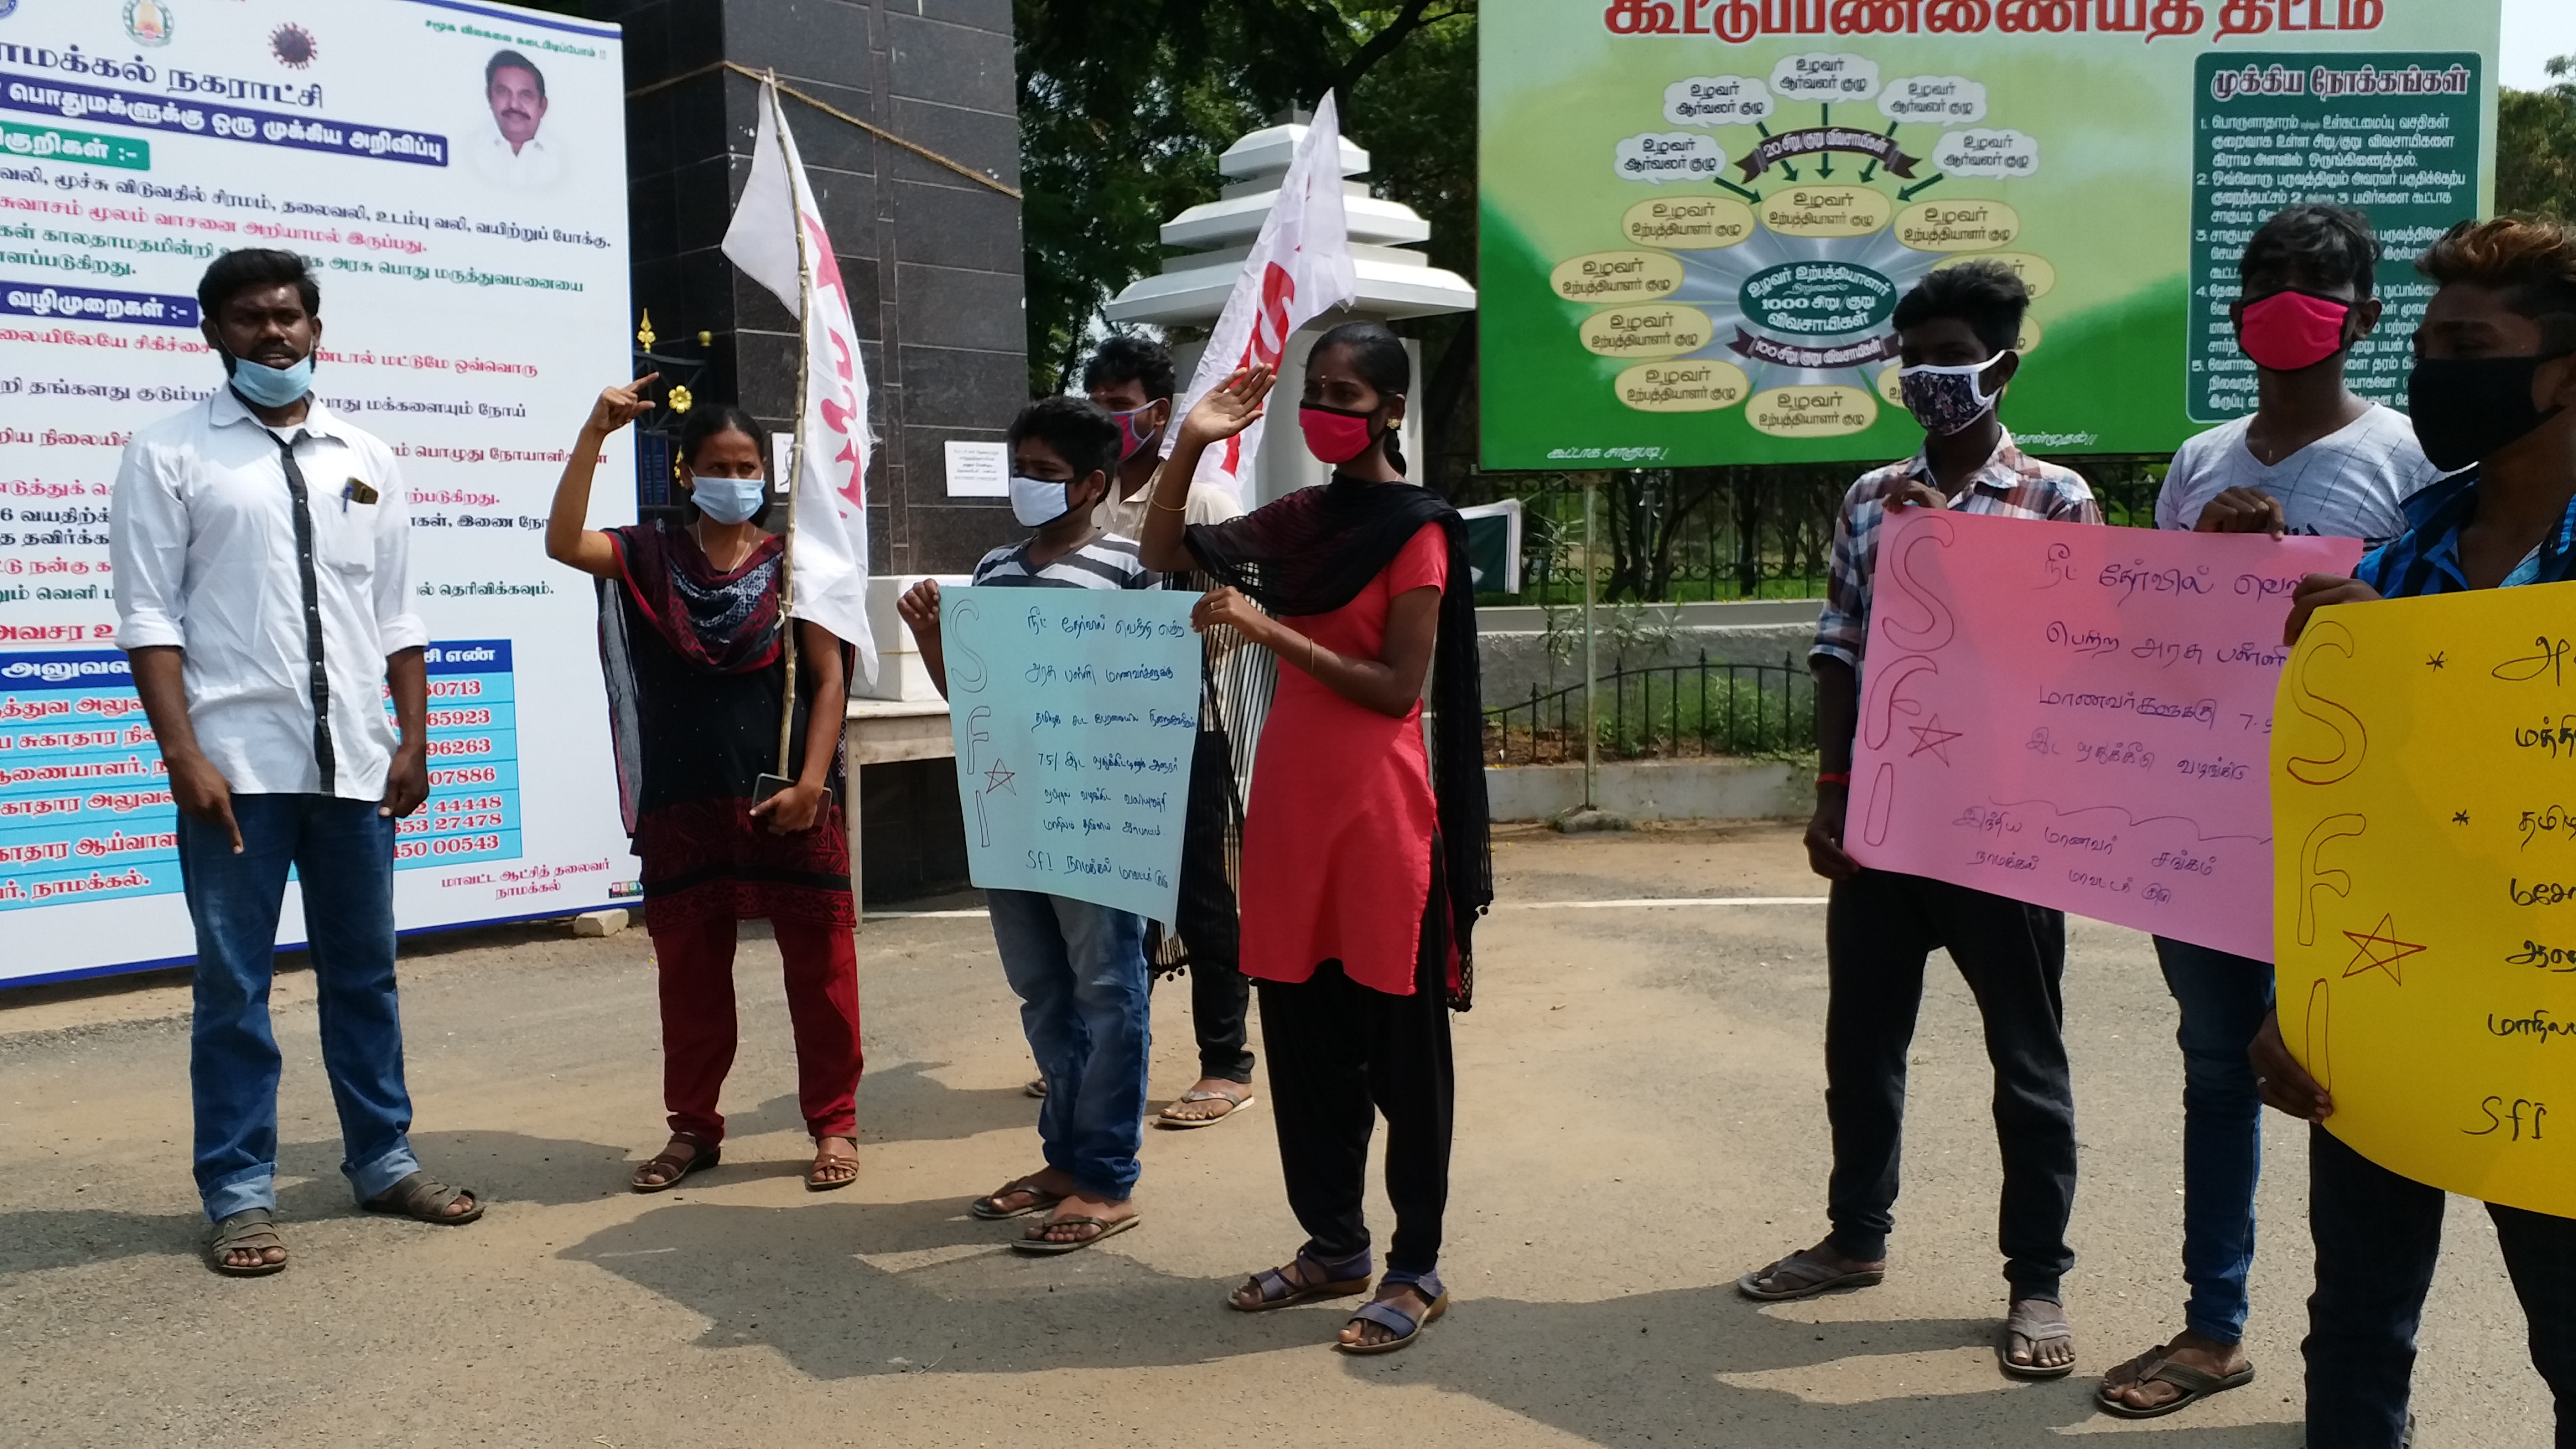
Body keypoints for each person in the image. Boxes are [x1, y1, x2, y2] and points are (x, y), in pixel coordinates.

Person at [2100, 204, 2442, 1420]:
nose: (2286, 296)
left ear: (2365, 312)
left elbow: (2434, 644)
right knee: (2216, 1071)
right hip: (2210, 825)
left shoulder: (2409, 459)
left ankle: (2358, 1366)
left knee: (2359, 1088)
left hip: (2356, 835)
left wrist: (2300, 563)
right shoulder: (2199, 463)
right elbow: (2148, 646)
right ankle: (2213, 1324)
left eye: (2316, 280)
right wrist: (2202, 561)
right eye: (2265, 277)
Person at [1739, 261, 2098, 1380]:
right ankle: (1856, 1238)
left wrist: (1953, 552)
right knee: (1863, 1046)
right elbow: (1839, 650)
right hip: (1888, 822)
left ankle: (2036, 1279)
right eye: (1915, 357)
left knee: (2027, 1062)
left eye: (1951, 354)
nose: (1930, 377)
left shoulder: (2057, 500)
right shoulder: (1865, 499)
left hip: (2004, 827)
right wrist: (1832, 793)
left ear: (2003, 362)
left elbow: (2068, 663)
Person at [111, 248, 484, 1277]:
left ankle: (383, 1159)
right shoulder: (170, 453)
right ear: (213, 334)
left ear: (316, 328)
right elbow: (148, 617)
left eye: (287, 317)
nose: (272, 334)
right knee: (234, 987)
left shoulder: (364, 456)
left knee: (364, 974)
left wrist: (414, 737)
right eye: (248, 319)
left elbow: (396, 614)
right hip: (236, 768)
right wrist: (181, 753)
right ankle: (237, 1192)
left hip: (356, 769)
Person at [2269, 216, 2576, 1449]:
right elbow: (2342, 812)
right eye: (2430, 345)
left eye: (2469, 344)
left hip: (2551, 1035)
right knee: (2354, 1329)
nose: (2434, 374)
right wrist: (2298, 1002)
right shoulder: (2402, 560)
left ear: (2563, 371)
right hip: (2389, 1014)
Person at [1139, 320, 1494, 1354]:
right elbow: (1164, 550)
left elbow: (1394, 690)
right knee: (1300, 1048)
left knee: (1401, 1058)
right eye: (1315, 391)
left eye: (1347, 394)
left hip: (1382, 828)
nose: (1326, 410)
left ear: (1389, 410)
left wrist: (1268, 631)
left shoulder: (1416, 529)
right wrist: (1193, 443)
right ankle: (1332, 1244)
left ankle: (1413, 1265)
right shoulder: (1300, 520)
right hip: (1289, 819)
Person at [541, 383, 862, 1195]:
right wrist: (592, 434)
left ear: (768, 472)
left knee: (821, 970)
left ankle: (835, 1123)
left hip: (787, 797)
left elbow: (828, 679)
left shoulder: (800, 561)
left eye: (748, 465)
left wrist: (812, 783)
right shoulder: (648, 557)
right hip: (684, 802)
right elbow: (562, 543)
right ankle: (694, 1127)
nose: (734, 478)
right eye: (717, 465)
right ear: (686, 473)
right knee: (689, 975)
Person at [898, 396, 1159, 1253]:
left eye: (1045, 474)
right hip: (1013, 812)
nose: (1026, 487)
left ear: (1092, 484)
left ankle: (1107, 1179)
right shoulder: (997, 569)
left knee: (1110, 994)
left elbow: (1146, 695)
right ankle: (1063, 1158)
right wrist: (938, 642)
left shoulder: (1130, 569)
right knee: (1045, 993)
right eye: (1021, 470)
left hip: (1100, 816)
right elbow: (972, 699)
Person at [1085, 335, 1262, 1128]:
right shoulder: (1081, 497)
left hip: (1181, 727)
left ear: (1159, 413)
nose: (1107, 420)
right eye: (1097, 406)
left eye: (1120, 408)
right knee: (1105, 897)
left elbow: (1238, 613)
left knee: (1198, 894)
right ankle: (1108, 1048)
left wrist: (1163, 658)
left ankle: (1227, 1063)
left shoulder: (1206, 501)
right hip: (1092, 730)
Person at [471, 50, 564, 191]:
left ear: (543, 106)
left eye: (525, 95)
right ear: (490, 97)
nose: (514, 105)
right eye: (503, 92)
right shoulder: (470, 149)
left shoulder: (562, 159)